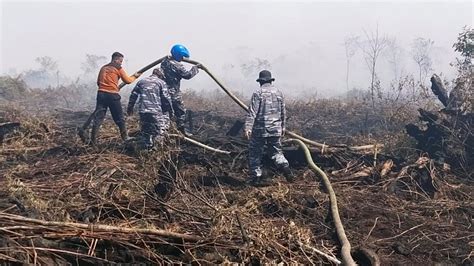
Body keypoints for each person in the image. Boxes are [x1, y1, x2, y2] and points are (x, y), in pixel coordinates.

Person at [78, 52, 141, 145]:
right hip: (112, 96)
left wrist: (107, 87)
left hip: (101, 94)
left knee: (98, 118)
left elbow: (98, 82)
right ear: (115, 59)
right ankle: (125, 137)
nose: (121, 63)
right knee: (120, 118)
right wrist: (136, 76)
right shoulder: (118, 68)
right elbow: (128, 81)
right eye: (120, 61)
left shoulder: (103, 68)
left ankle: (93, 141)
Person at [244, 70, 294, 184]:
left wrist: (248, 128)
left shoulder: (258, 93)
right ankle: (286, 168)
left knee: (255, 153)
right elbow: (283, 112)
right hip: (276, 129)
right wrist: (283, 127)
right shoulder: (279, 93)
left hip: (260, 130)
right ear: (270, 81)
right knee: (276, 152)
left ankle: (256, 178)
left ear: (260, 81)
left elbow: (252, 112)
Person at [127, 68, 173, 149]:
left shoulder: (141, 81)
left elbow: (133, 95)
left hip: (143, 111)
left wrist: (130, 108)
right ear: (160, 75)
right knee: (160, 131)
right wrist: (170, 111)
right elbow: (166, 98)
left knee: (146, 131)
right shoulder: (161, 82)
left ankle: (146, 149)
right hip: (155, 111)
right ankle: (157, 150)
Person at [160, 44, 200, 136]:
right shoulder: (178, 66)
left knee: (165, 111)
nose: (183, 58)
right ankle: (181, 131)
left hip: (163, 91)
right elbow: (187, 75)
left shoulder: (164, 62)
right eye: (182, 56)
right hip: (174, 92)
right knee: (180, 111)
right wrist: (195, 68)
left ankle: (165, 131)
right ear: (178, 55)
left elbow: (166, 60)